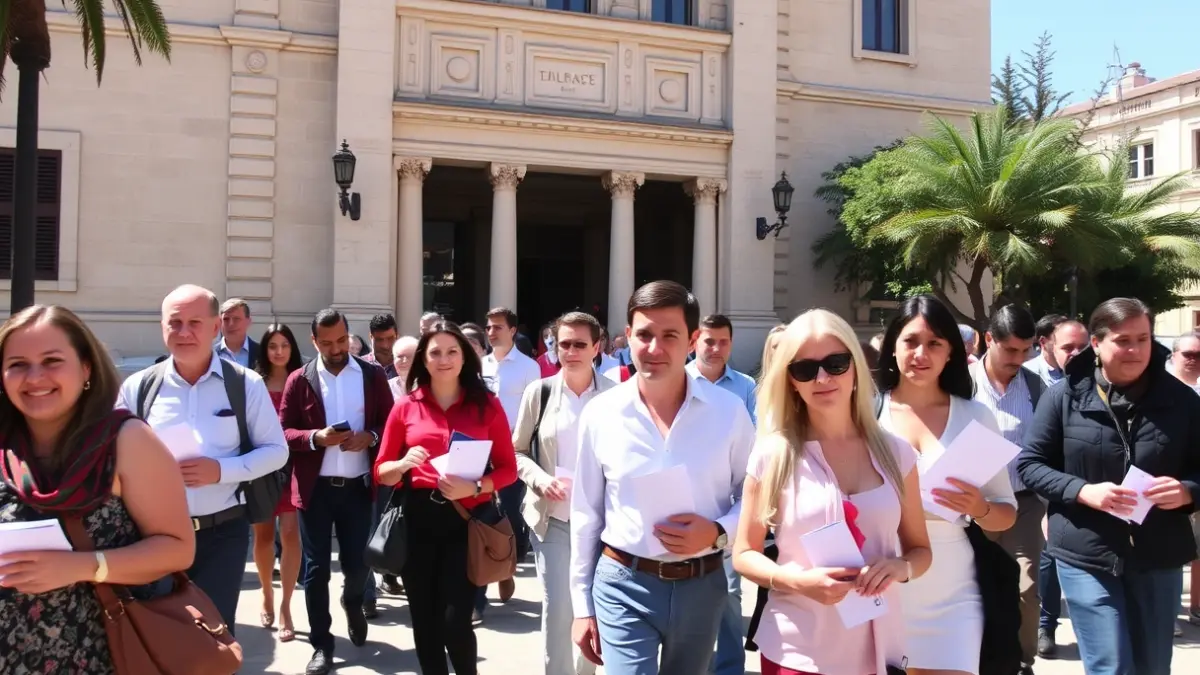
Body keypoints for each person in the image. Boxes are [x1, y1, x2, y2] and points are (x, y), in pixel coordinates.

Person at [570, 281, 756, 675]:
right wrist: (581, 605)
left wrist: (718, 532)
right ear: (627, 338)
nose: (654, 349)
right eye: (644, 335)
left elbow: (756, 497)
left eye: (669, 336)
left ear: (691, 341)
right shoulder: (601, 414)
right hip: (623, 582)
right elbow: (586, 513)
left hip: (702, 584)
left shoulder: (729, 412)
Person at [734, 309, 931, 675]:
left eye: (835, 363)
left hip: (879, 648)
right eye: (805, 369)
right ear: (791, 380)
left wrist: (900, 567)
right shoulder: (772, 454)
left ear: (855, 367)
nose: (822, 378)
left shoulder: (898, 454)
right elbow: (744, 552)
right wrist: (796, 581)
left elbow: (921, 551)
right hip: (798, 650)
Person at [0, 305, 195, 674]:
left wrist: (81, 567)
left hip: (94, 654)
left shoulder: (128, 441)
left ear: (86, 368)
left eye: (52, 360)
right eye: (18, 364)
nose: (35, 377)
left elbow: (178, 549)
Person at [1018, 298, 1200, 675]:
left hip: (1159, 553)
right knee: (1111, 666)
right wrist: (1083, 491)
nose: (1134, 350)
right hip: (1086, 551)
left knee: (1152, 666)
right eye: (1122, 340)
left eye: (1143, 339)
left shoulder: (1182, 400)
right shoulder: (1064, 396)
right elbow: (1031, 465)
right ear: (1097, 344)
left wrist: (1188, 491)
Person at [118, 284, 289, 634]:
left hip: (222, 535)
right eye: (174, 322)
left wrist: (220, 471)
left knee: (213, 639)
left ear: (215, 328)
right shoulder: (138, 388)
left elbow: (277, 451)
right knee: (158, 637)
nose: (184, 332)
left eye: (195, 322)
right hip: (152, 535)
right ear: (162, 327)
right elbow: (114, 456)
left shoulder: (246, 384)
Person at [876, 295, 1017, 675]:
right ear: (892, 348)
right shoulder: (866, 415)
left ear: (951, 352)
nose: (921, 353)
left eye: (935, 343)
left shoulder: (976, 416)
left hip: (954, 588)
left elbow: (1005, 515)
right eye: (910, 341)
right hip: (881, 579)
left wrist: (979, 508)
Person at [375, 321, 518, 675]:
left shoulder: (486, 405)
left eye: (452, 351)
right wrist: (403, 463)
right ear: (423, 359)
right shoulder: (406, 407)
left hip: (467, 521)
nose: (444, 359)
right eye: (435, 352)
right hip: (417, 520)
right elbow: (381, 471)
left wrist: (476, 487)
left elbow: (508, 469)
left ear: (465, 357)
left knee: (455, 622)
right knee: (424, 623)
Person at [279, 309, 395, 675]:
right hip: (316, 491)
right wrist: (316, 439)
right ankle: (322, 645)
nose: (336, 349)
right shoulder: (299, 380)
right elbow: (282, 434)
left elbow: (391, 424)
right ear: (314, 342)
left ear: (350, 336)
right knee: (316, 572)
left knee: (358, 564)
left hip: (359, 489)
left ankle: (352, 600)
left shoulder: (373, 375)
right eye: (327, 343)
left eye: (341, 340)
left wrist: (370, 437)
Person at [513, 312, 615, 675]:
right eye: (563, 344)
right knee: (558, 610)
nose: (570, 351)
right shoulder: (538, 393)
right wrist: (540, 479)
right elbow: (517, 451)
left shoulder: (616, 396)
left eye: (579, 344)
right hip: (553, 519)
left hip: (603, 527)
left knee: (593, 611)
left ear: (597, 347)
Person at [969, 305, 1044, 675]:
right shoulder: (961, 385)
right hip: (968, 507)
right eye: (1011, 350)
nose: (1019, 358)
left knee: (1025, 591)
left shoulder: (1035, 387)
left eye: (1026, 350)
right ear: (988, 340)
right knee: (975, 588)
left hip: (1023, 506)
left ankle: (1021, 661)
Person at [686, 313, 758, 675]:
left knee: (729, 593)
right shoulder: (678, 381)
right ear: (695, 341)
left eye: (723, 342)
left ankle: (730, 668)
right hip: (686, 502)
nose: (716, 349)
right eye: (709, 341)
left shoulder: (745, 387)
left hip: (729, 510)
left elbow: (753, 446)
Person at [1021, 314, 1088, 658]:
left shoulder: (1095, 381)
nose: (1077, 353)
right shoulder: (1030, 379)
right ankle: (1046, 625)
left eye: (1083, 346)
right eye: (1068, 347)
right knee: (1046, 558)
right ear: (1046, 344)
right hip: (1041, 479)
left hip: (1080, 480)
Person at [482, 306, 541, 608]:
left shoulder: (529, 368)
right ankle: (491, 571)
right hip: (481, 449)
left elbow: (534, 411)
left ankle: (509, 564)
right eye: (489, 327)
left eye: (497, 327)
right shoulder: (480, 365)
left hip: (514, 450)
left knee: (511, 511)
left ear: (512, 331)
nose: (491, 332)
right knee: (481, 515)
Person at [252, 323, 305, 643]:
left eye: (284, 344)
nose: (279, 351)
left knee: (290, 534)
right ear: (265, 350)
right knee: (262, 537)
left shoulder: (301, 381)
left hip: (295, 468)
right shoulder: (253, 383)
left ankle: (286, 605)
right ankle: (266, 594)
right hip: (260, 469)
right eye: (273, 345)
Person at [216, 297, 258, 369]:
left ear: (248, 321)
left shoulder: (262, 353)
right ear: (220, 322)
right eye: (226, 319)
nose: (231, 324)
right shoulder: (209, 355)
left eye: (236, 319)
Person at [365, 314, 400, 379]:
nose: (385, 346)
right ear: (371, 337)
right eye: (379, 340)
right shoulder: (360, 366)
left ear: (397, 336)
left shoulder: (406, 366)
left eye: (390, 338)